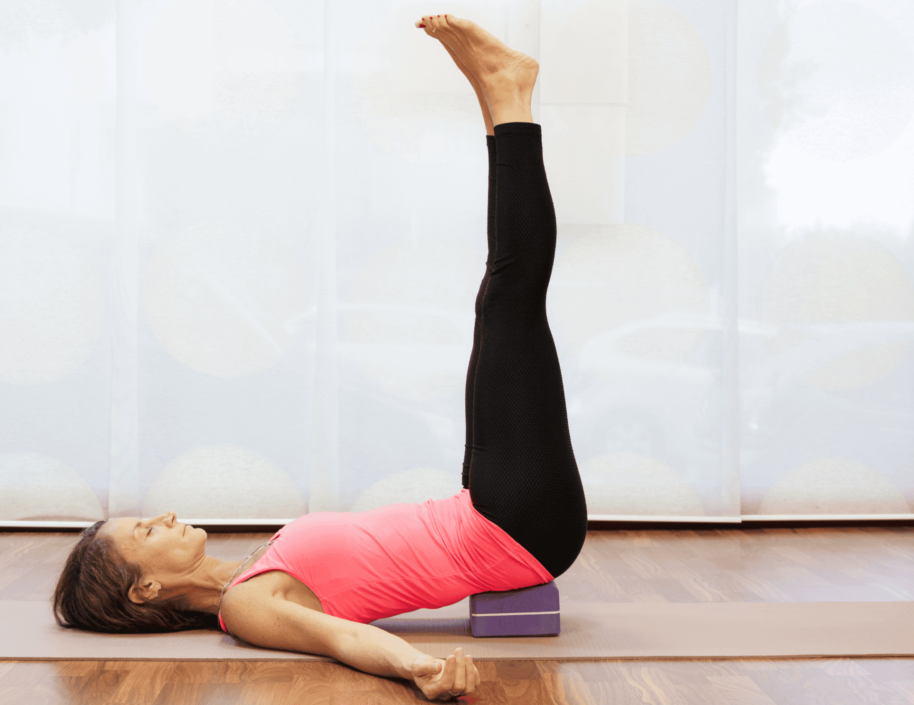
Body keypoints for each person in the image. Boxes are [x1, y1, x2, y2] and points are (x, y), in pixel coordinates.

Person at [52, 14, 587, 702]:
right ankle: (507, 97)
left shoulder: (252, 569)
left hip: (484, 509)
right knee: (509, 292)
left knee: (501, 295)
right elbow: (342, 638)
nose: (160, 515)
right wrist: (418, 669)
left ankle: (499, 96)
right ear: (146, 586)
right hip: (514, 524)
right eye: (144, 531)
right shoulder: (243, 606)